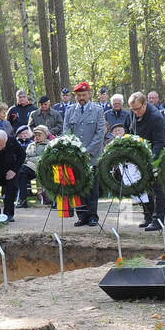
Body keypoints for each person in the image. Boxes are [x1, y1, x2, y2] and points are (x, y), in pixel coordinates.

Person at [61, 81, 106, 226]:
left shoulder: (97, 110)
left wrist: (87, 151)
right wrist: (73, 150)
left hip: (91, 156)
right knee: (77, 187)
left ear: (89, 94)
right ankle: (82, 216)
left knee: (92, 187)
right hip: (75, 156)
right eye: (79, 95)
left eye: (84, 95)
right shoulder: (70, 111)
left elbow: (100, 133)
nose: (82, 97)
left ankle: (93, 216)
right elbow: (66, 131)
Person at [129, 91, 165, 231]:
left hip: (156, 155)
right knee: (144, 187)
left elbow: (160, 142)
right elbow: (132, 131)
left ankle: (158, 220)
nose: (135, 112)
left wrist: (151, 161)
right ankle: (148, 216)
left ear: (145, 104)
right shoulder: (134, 112)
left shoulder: (156, 117)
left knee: (157, 188)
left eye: (137, 109)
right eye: (132, 109)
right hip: (141, 154)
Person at [19, 125, 50, 207]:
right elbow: (25, 157)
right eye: (35, 135)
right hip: (29, 168)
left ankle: (23, 200)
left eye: (39, 135)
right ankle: (23, 200)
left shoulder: (49, 145)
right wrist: (27, 161)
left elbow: (44, 157)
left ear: (45, 135)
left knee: (21, 170)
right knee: (21, 174)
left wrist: (30, 161)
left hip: (42, 169)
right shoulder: (30, 145)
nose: (37, 137)